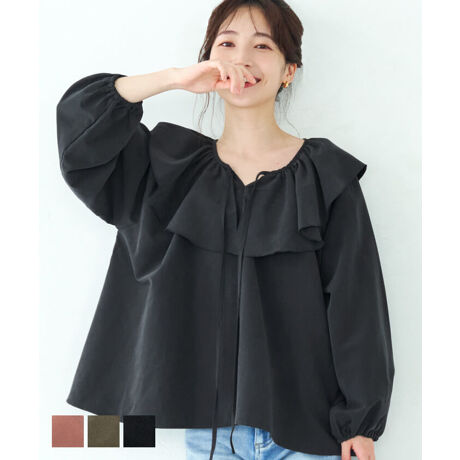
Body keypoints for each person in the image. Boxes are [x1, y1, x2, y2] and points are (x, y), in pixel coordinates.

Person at [56, 1, 395, 459]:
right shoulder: (164, 168)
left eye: (263, 46)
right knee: (69, 439)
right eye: (227, 44)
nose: (242, 59)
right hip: (201, 434)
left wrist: (360, 422)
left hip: (305, 433)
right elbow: (80, 128)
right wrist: (174, 78)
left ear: (289, 70)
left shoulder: (324, 176)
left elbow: (358, 304)